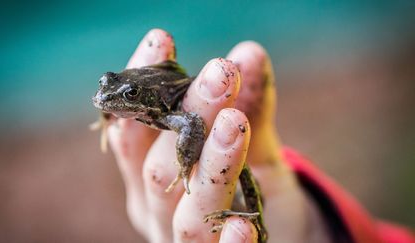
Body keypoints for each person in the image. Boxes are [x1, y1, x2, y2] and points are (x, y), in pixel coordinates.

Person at [104, 29, 415, 243]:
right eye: (107, 84)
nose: (108, 97)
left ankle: (260, 221)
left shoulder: (166, 110)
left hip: (195, 110)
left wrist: (185, 166)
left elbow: (192, 125)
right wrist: (111, 112)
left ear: (141, 96)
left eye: (130, 95)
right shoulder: (126, 102)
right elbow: (112, 94)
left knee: (240, 172)